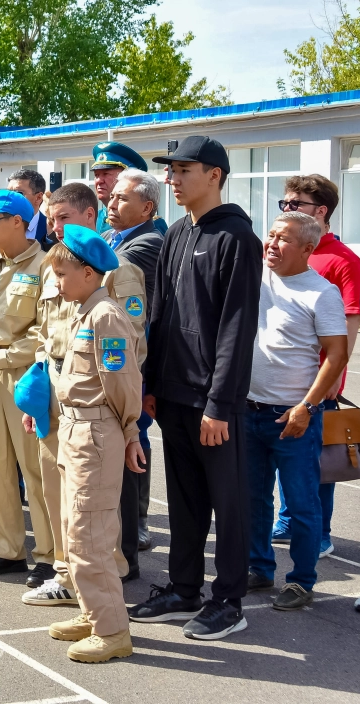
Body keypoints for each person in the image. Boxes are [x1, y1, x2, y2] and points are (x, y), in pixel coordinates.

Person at [132, 135, 262, 641]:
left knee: (227, 502)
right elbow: (160, 316)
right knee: (185, 500)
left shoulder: (236, 239)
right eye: (171, 170)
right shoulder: (178, 236)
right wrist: (150, 384)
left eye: (185, 169)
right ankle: (184, 589)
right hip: (174, 394)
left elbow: (236, 328)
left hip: (214, 404)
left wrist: (220, 405)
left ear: (215, 175)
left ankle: (229, 600)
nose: (173, 178)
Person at [21, 181, 145, 607]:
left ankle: (101, 588)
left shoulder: (115, 275)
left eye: (63, 219)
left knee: (91, 514)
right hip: (58, 394)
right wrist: (39, 389)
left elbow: (129, 351)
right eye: (51, 219)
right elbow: (46, 331)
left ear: (89, 217)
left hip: (95, 404)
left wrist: (128, 426)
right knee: (63, 500)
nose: (55, 229)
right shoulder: (62, 269)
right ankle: (68, 575)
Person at [41, 225, 142, 663]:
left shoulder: (105, 316)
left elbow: (122, 382)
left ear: (87, 272)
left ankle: (112, 631)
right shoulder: (84, 310)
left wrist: (131, 430)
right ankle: (92, 611)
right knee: (73, 530)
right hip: (74, 429)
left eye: (62, 275)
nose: (57, 283)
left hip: (96, 433)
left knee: (90, 536)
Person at [246, 212, 349, 612]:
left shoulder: (321, 293)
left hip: (295, 418)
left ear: (308, 249)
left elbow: (337, 355)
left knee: (304, 504)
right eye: (270, 235)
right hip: (248, 411)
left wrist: (306, 407)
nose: (272, 243)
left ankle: (301, 580)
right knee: (254, 499)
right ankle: (259, 567)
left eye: (284, 239)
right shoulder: (255, 276)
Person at [0, 188, 55, 585]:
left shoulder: (46, 265)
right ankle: (8, 549)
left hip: (25, 376)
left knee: (34, 467)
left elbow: (46, 331)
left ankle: (50, 554)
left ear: (18, 221)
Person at [273, 174, 360, 557]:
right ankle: (288, 519)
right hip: (279, 380)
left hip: (317, 383)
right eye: (286, 204)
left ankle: (321, 533)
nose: (288, 208)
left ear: (321, 211)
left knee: (318, 462)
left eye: (296, 204)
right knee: (283, 451)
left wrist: (331, 381)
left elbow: (348, 325)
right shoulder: (287, 250)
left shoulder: (343, 261)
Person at [104, 169, 165, 557]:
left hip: (137, 365)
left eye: (122, 199)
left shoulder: (145, 244)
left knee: (133, 440)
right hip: (120, 360)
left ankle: (137, 523)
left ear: (147, 207)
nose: (111, 203)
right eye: (111, 197)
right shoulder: (116, 237)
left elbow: (102, 272)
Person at [7, 169, 48, 244]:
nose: (10, 198)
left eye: (18, 193)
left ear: (38, 198)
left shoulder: (52, 230)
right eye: (8, 193)